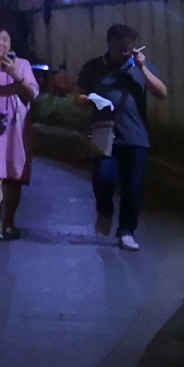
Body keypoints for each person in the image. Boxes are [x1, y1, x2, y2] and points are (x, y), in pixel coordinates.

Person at [76, 23, 167, 250]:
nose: (124, 53)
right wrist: (90, 100)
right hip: (104, 133)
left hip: (136, 137)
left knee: (133, 187)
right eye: (120, 49)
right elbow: (79, 96)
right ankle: (104, 211)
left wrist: (142, 68)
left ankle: (126, 231)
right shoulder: (94, 67)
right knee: (103, 178)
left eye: (128, 48)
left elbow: (161, 93)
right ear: (110, 45)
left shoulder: (140, 67)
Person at [0, 28, 38, 240]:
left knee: (14, 176)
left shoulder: (22, 65)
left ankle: (10, 221)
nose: (0, 43)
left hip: (16, 125)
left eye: (5, 39)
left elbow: (31, 95)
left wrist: (15, 76)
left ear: (10, 45)